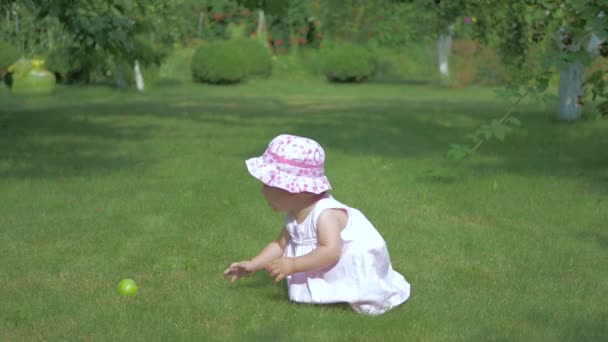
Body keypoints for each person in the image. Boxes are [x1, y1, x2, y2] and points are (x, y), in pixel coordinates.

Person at [223, 134, 411, 315]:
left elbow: (330, 251)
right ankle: (328, 296)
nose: (263, 191)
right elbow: (279, 245)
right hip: (326, 260)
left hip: (351, 263)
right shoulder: (294, 214)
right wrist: (254, 264)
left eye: (269, 186)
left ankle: (350, 295)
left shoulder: (324, 213)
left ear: (296, 190)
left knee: (361, 298)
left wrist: (294, 264)